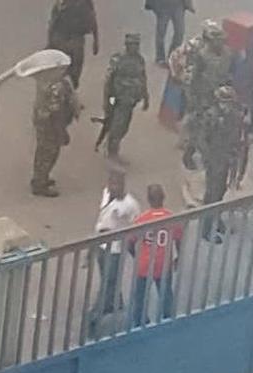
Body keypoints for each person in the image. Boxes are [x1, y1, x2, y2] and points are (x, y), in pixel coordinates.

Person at [91, 171, 141, 336]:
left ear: (123, 185)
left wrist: (132, 246)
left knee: (108, 282)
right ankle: (117, 303)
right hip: (101, 244)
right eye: (111, 184)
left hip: (116, 248)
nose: (113, 188)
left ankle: (95, 316)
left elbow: (136, 226)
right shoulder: (106, 193)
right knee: (107, 276)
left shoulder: (130, 204)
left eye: (117, 185)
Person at [180, 20, 234, 171]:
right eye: (214, 40)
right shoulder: (202, 55)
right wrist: (193, 99)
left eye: (220, 40)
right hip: (204, 97)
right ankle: (188, 155)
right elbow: (195, 77)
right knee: (199, 129)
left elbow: (229, 74)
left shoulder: (228, 54)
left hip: (220, 95)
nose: (217, 43)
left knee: (215, 128)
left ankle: (209, 156)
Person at [129, 185, 183, 327]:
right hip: (163, 263)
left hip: (145, 264)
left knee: (140, 297)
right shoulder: (172, 218)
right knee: (166, 294)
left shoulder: (141, 219)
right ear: (164, 197)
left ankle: (139, 323)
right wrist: (178, 256)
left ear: (148, 199)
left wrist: (136, 256)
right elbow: (179, 240)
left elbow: (130, 242)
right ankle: (167, 319)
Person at [200, 86, 246, 242]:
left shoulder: (234, 116)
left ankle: (216, 217)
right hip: (214, 159)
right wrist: (208, 159)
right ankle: (206, 228)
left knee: (221, 190)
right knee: (212, 192)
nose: (227, 105)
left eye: (229, 102)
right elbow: (202, 140)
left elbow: (237, 137)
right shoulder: (211, 116)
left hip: (227, 158)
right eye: (224, 102)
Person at [31, 62, 81, 197]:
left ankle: (40, 178)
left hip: (42, 121)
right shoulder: (56, 87)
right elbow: (56, 113)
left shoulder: (44, 80)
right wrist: (63, 132)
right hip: (50, 125)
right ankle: (40, 184)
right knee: (50, 153)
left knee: (42, 151)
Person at [103, 33, 150, 160]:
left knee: (124, 126)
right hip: (117, 98)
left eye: (136, 45)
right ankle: (112, 152)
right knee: (117, 125)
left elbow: (142, 78)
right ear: (126, 45)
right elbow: (109, 81)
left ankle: (113, 147)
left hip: (131, 100)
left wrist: (146, 97)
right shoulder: (118, 59)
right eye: (131, 45)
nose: (134, 47)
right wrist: (108, 101)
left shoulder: (139, 59)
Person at [47, 0, 99, 89]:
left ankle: (72, 91)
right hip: (61, 38)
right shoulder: (61, 3)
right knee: (59, 69)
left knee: (76, 70)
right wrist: (50, 42)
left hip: (76, 37)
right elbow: (53, 21)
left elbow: (92, 19)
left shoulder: (85, 3)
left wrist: (96, 41)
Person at [145, 0, 195, 66]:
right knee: (161, 32)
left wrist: (189, 4)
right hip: (163, 5)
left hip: (178, 5)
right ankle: (160, 58)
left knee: (180, 32)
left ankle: (172, 56)